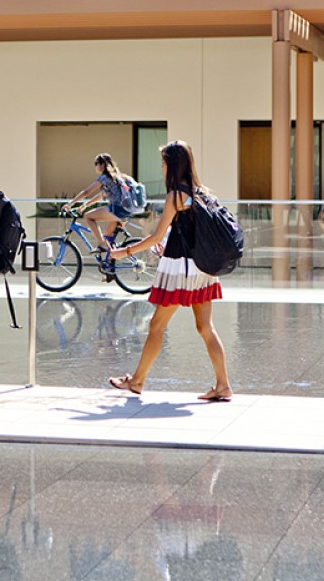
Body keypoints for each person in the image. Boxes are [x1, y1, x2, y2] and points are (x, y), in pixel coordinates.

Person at [106, 140, 233, 402]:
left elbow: (155, 236)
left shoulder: (175, 196)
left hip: (180, 271)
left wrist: (123, 253)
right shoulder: (202, 192)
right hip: (203, 269)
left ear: (172, 165)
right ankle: (223, 385)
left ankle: (137, 381)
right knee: (205, 327)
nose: (161, 167)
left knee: (156, 325)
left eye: (164, 162)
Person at [64, 153, 132, 257]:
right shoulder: (116, 177)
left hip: (117, 210)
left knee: (88, 216)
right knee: (108, 241)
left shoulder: (104, 178)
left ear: (101, 165)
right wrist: (85, 205)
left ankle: (101, 244)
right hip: (126, 211)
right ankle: (110, 268)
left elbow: (87, 191)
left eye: (96, 163)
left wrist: (70, 204)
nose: (95, 166)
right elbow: (102, 195)